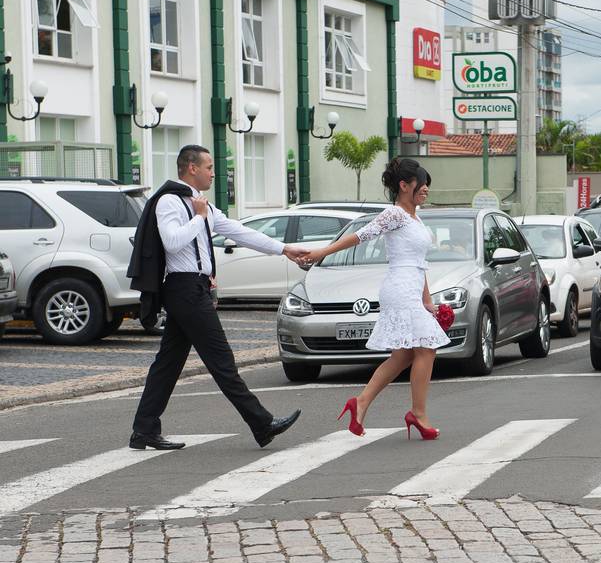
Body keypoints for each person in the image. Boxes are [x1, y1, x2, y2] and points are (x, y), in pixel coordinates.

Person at [128, 145, 307, 450]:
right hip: (182, 289)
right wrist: (198, 218)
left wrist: (284, 249)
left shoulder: (203, 206)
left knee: (167, 364)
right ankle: (261, 423)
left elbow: (239, 232)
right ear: (191, 168)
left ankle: (144, 430)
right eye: (209, 167)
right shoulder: (169, 201)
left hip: (195, 288)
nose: (214, 173)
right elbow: (171, 243)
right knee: (221, 360)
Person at [299, 157, 450, 440]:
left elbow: (420, 263)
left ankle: (361, 402)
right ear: (404, 186)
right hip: (399, 288)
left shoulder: (416, 217)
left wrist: (427, 300)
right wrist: (321, 252)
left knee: (404, 355)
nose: (427, 189)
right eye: (422, 183)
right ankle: (418, 414)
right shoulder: (394, 214)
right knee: (427, 349)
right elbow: (360, 236)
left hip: (411, 288)